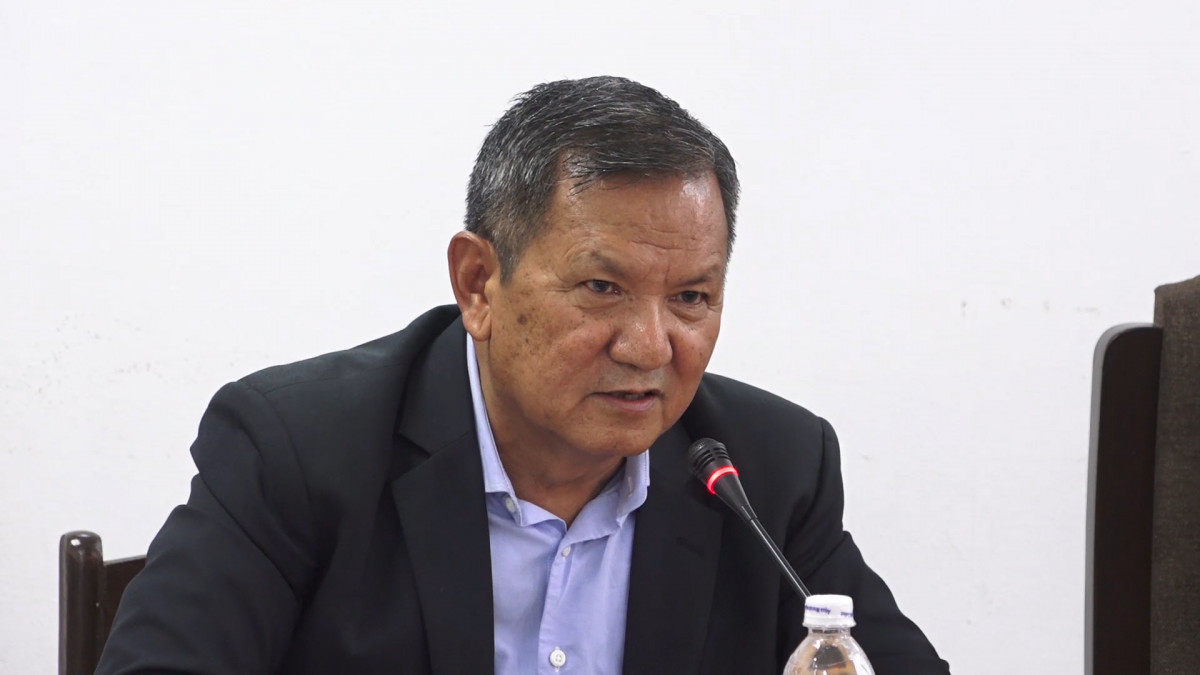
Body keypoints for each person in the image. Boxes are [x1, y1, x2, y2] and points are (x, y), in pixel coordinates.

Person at [98, 76, 949, 674]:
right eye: (602, 288)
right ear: (478, 283)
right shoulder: (297, 450)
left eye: (691, 296)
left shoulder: (769, 471)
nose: (650, 346)